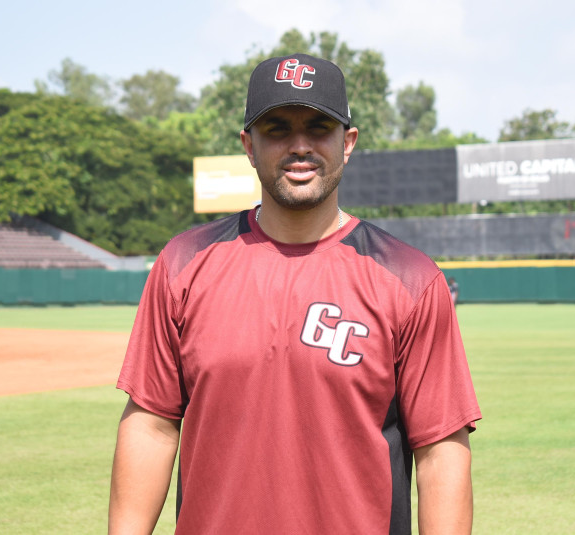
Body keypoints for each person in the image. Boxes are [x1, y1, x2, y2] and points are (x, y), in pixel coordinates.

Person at [109, 53, 481, 535]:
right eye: (277, 128)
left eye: (319, 127)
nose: (299, 146)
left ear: (347, 143)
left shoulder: (409, 279)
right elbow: (152, 425)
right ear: (248, 144)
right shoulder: (183, 264)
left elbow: (440, 453)